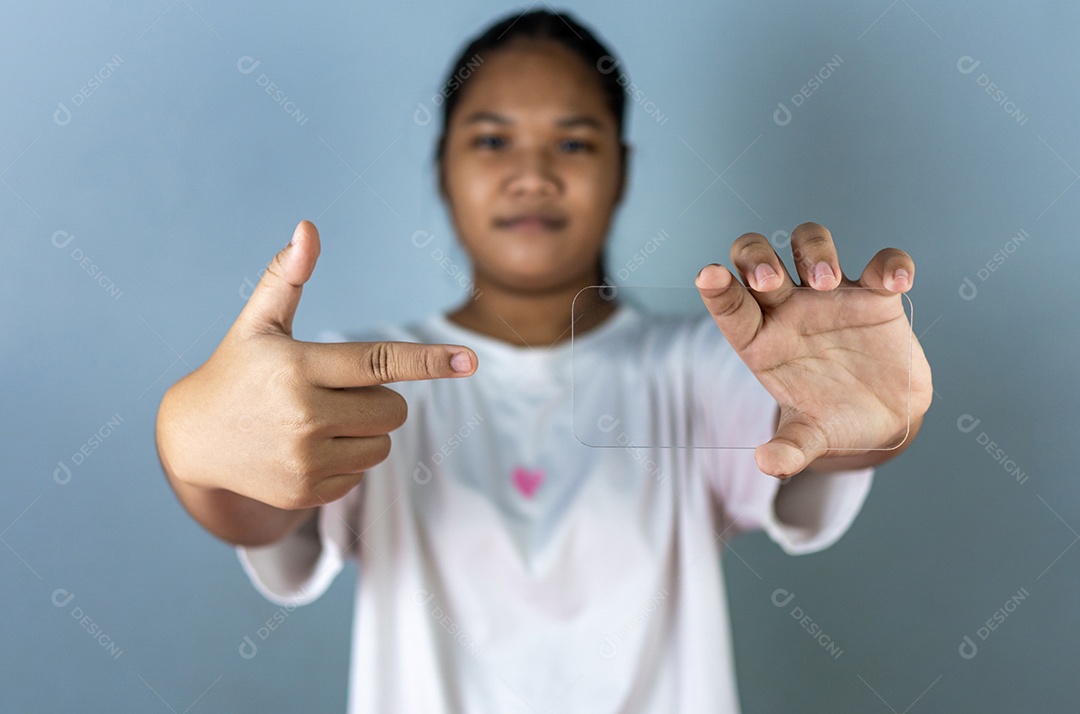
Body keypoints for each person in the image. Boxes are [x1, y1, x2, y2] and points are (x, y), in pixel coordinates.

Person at [155, 8, 932, 713]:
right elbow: (261, 507)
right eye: (492, 140)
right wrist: (191, 446)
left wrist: (870, 414)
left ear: (621, 172)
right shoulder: (355, 378)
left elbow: (816, 437)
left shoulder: (701, 367)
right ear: (442, 170)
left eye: (573, 141)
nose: (532, 173)